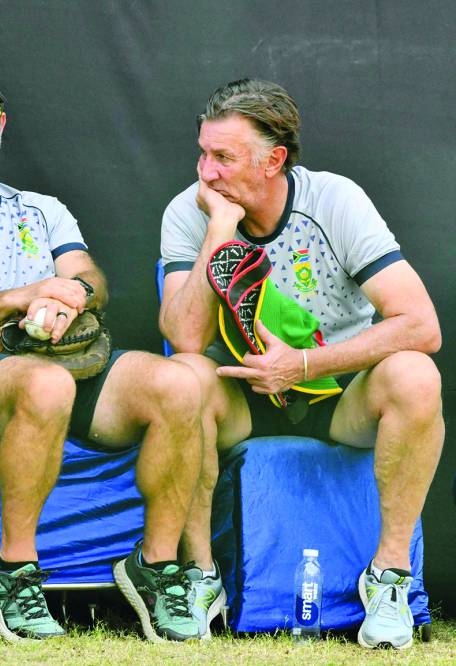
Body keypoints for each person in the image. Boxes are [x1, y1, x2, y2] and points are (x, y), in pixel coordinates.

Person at [0, 60, 206, 643]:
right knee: (44, 386)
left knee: (181, 383)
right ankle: (13, 572)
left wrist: (68, 297)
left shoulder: (42, 209)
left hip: (66, 363)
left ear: (3, 123)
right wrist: (22, 297)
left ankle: (154, 567)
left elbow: (91, 280)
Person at [159, 78, 443, 649]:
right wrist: (219, 230)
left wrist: (304, 364)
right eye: (202, 153)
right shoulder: (191, 212)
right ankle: (199, 575)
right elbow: (185, 337)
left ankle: (388, 579)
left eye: (223, 158)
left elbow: (420, 324)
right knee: (182, 379)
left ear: (274, 161)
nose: (205, 172)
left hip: (335, 395)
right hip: (240, 393)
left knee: (415, 374)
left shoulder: (334, 200)